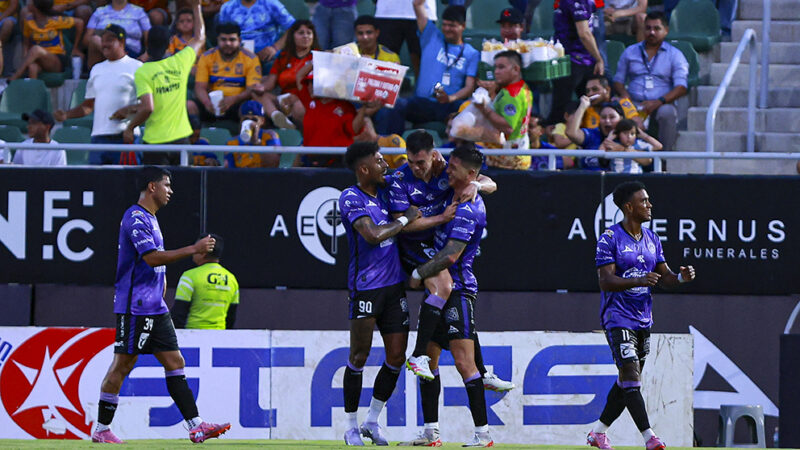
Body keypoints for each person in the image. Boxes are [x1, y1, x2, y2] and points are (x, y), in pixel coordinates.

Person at [91, 166, 231, 444]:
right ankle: (101, 429)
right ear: (152, 186)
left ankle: (196, 425)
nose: (171, 190)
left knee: (175, 361)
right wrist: (194, 249)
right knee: (123, 364)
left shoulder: (151, 219)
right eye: (166, 184)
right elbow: (152, 258)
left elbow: (153, 264)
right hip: (136, 306)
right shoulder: (135, 217)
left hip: (155, 306)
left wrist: (162, 284)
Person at [587, 180, 695, 450]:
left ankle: (598, 433)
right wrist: (638, 281)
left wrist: (679, 278)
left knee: (626, 382)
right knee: (632, 379)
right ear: (628, 207)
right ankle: (650, 438)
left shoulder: (652, 239)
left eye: (648, 200)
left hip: (643, 319)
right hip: (617, 317)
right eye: (644, 201)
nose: (649, 205)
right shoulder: (610, 238)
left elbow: (665, 277)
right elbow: (606, 281)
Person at [407, 144, 493, 448]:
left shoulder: (470, 208)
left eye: (454, 168)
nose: (448, 170)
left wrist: (419, 273)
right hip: (440, 290)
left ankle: (483, 434)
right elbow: (489, 181)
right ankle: (431, 431)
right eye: (449, 164)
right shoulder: (455, 186)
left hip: (458, 290)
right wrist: (479, 182)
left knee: (463, 363)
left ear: (469, 174)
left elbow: (451, 256)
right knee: (429, 364)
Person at [338, 141, 421, 446]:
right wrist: (404, 219)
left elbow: (414, 170)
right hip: (366, 286)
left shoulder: (388, 190)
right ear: (363, 169)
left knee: (397, 356)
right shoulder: (350, 197)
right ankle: (350, 426)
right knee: (359, 355)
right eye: (378, 160)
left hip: (394, 287)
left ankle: (372, 421)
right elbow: (372, 235)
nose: (384, 164)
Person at [119, 0, 205, 165]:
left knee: (155, 189)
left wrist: (130, 128)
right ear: (168, 45)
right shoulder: (180, 61)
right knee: (184, 188)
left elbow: (148, 108)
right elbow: (200, 37)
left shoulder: (143, 71)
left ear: (147, 44)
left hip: (155, 143)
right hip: (181, 140)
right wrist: (196, 7)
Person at [55, 24, 143, 165]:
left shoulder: (138, 67)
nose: (104, 44)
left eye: (109, 40)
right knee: (96, 184)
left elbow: (148, 105)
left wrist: (128, 113)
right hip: (98, 138)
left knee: (127, 185)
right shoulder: (97, 69)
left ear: (122, 42)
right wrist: (67, 115)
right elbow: (88, 106)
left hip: (125, 138)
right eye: (103, 40)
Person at [612, 12, 688, 152]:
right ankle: (616, 155)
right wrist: (625, 97)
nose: (651, 32)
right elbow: (618, 81)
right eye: (648, 28)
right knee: (613, 108)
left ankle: (665, 158)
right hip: (634, 102)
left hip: (661, 102)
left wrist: (658, 102)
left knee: (668, 113)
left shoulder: (675, 55)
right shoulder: (630, 52)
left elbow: (681, 87)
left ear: (666, 31)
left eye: (657, 28)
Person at [404, 0, 477, 127]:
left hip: (450, 105)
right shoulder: (431, 35)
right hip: (423, 102)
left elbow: (469, 87)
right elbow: (417, 4)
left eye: (452, 25)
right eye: (445, 25)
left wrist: (450, 98)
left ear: (463, 26)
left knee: (466, 110)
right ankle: (391, 144)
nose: (447, 29)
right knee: (398, 106)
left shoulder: (472, 53)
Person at [545, 0, 604, 126]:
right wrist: (599, 59)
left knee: (591, 104)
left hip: (580, 60)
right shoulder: (578, 1)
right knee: (560, 110)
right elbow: (584, 34)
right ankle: (553, 142)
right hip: (572, 60)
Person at [191, 22, 262, 123]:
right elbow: (199, 86)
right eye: (223, 40)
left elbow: (252, 89)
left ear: (239, 40)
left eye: (232, 40)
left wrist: (234, 99)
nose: (227, 43)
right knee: (190, 105)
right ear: (217, 40)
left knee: (249, 108)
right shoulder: (206, 57)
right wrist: (206, 103)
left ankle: (244, 137)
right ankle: (194, 137)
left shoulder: (251, 58)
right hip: (212, 104)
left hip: (238, 103)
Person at [255, 19, 318, 130]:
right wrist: (259, 87)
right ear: (292, 36)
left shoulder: (318, 57)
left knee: (298, 107)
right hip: (283, 102)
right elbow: (270, 83)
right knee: (256, 93)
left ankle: (298, 133)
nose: (306, 36)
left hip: (306, 100)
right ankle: (278, 118)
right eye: (301, 33)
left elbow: (319, 88)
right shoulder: (284, 57)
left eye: (309, 33)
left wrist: (297, 97)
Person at [476, 50, 533, 170]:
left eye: (501, 67)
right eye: (495, 67)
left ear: (516, 69)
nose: (496, 72)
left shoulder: (512, 95)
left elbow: (508, 127)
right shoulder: (523, 87)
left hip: (508, 162)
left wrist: (484, 109)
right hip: (516, 156)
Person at [172, 233, 239, 329]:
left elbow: (178, 313)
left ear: (203, 252)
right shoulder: (232, 279)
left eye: (197, 248)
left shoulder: (189, 276)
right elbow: (231, 318)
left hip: (193, 336)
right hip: (220, 337)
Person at [10, 0, 84, 81]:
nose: (28, 4)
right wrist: (25, 58)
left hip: (56, 58)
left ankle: (15, 77)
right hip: (37, 59)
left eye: (31, 3)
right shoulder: (28, 21)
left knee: (36, 49)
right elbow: (25, 43)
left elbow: (80, 22)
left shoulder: (55, 20)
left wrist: (76, 47)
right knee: (32, 67)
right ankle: (34, 92)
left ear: (36, 8)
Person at [217, 0, 295, 65]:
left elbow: (293, 27)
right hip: (236, 54)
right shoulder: (227, 7)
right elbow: (222, 34)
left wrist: (275, 48)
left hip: (268, 55)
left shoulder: (271, 4)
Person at [374, 0, 436, 77]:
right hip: (387, 12)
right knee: (385, 60)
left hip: (422, 11)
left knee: (423, 61)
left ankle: (423, 89)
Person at [84, 0, 151, 67]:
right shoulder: (99, 12)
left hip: (130, 52)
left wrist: (146, 54)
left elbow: (150, 37)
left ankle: (121, 62)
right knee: (95, 39)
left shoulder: (139, 12)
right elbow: (86, 40)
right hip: (103, 52)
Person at [566, 95, 625, 170]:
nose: (607, 121)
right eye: (603, 117)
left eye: (612, 117)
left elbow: (644, 160)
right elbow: (571, 133)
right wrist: (582, 107)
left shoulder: (628, 137)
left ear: (621, 119)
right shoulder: (592, 134)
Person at [224, 100, 282, 168]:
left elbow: (273, 165)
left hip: (264, 176)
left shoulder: (270, 136)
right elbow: (229, 172)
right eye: (246, 119)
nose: (251, 124)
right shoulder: (231, 143)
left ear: (262, 121)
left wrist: (256, 141)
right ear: (240, 121)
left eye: (254, 120)